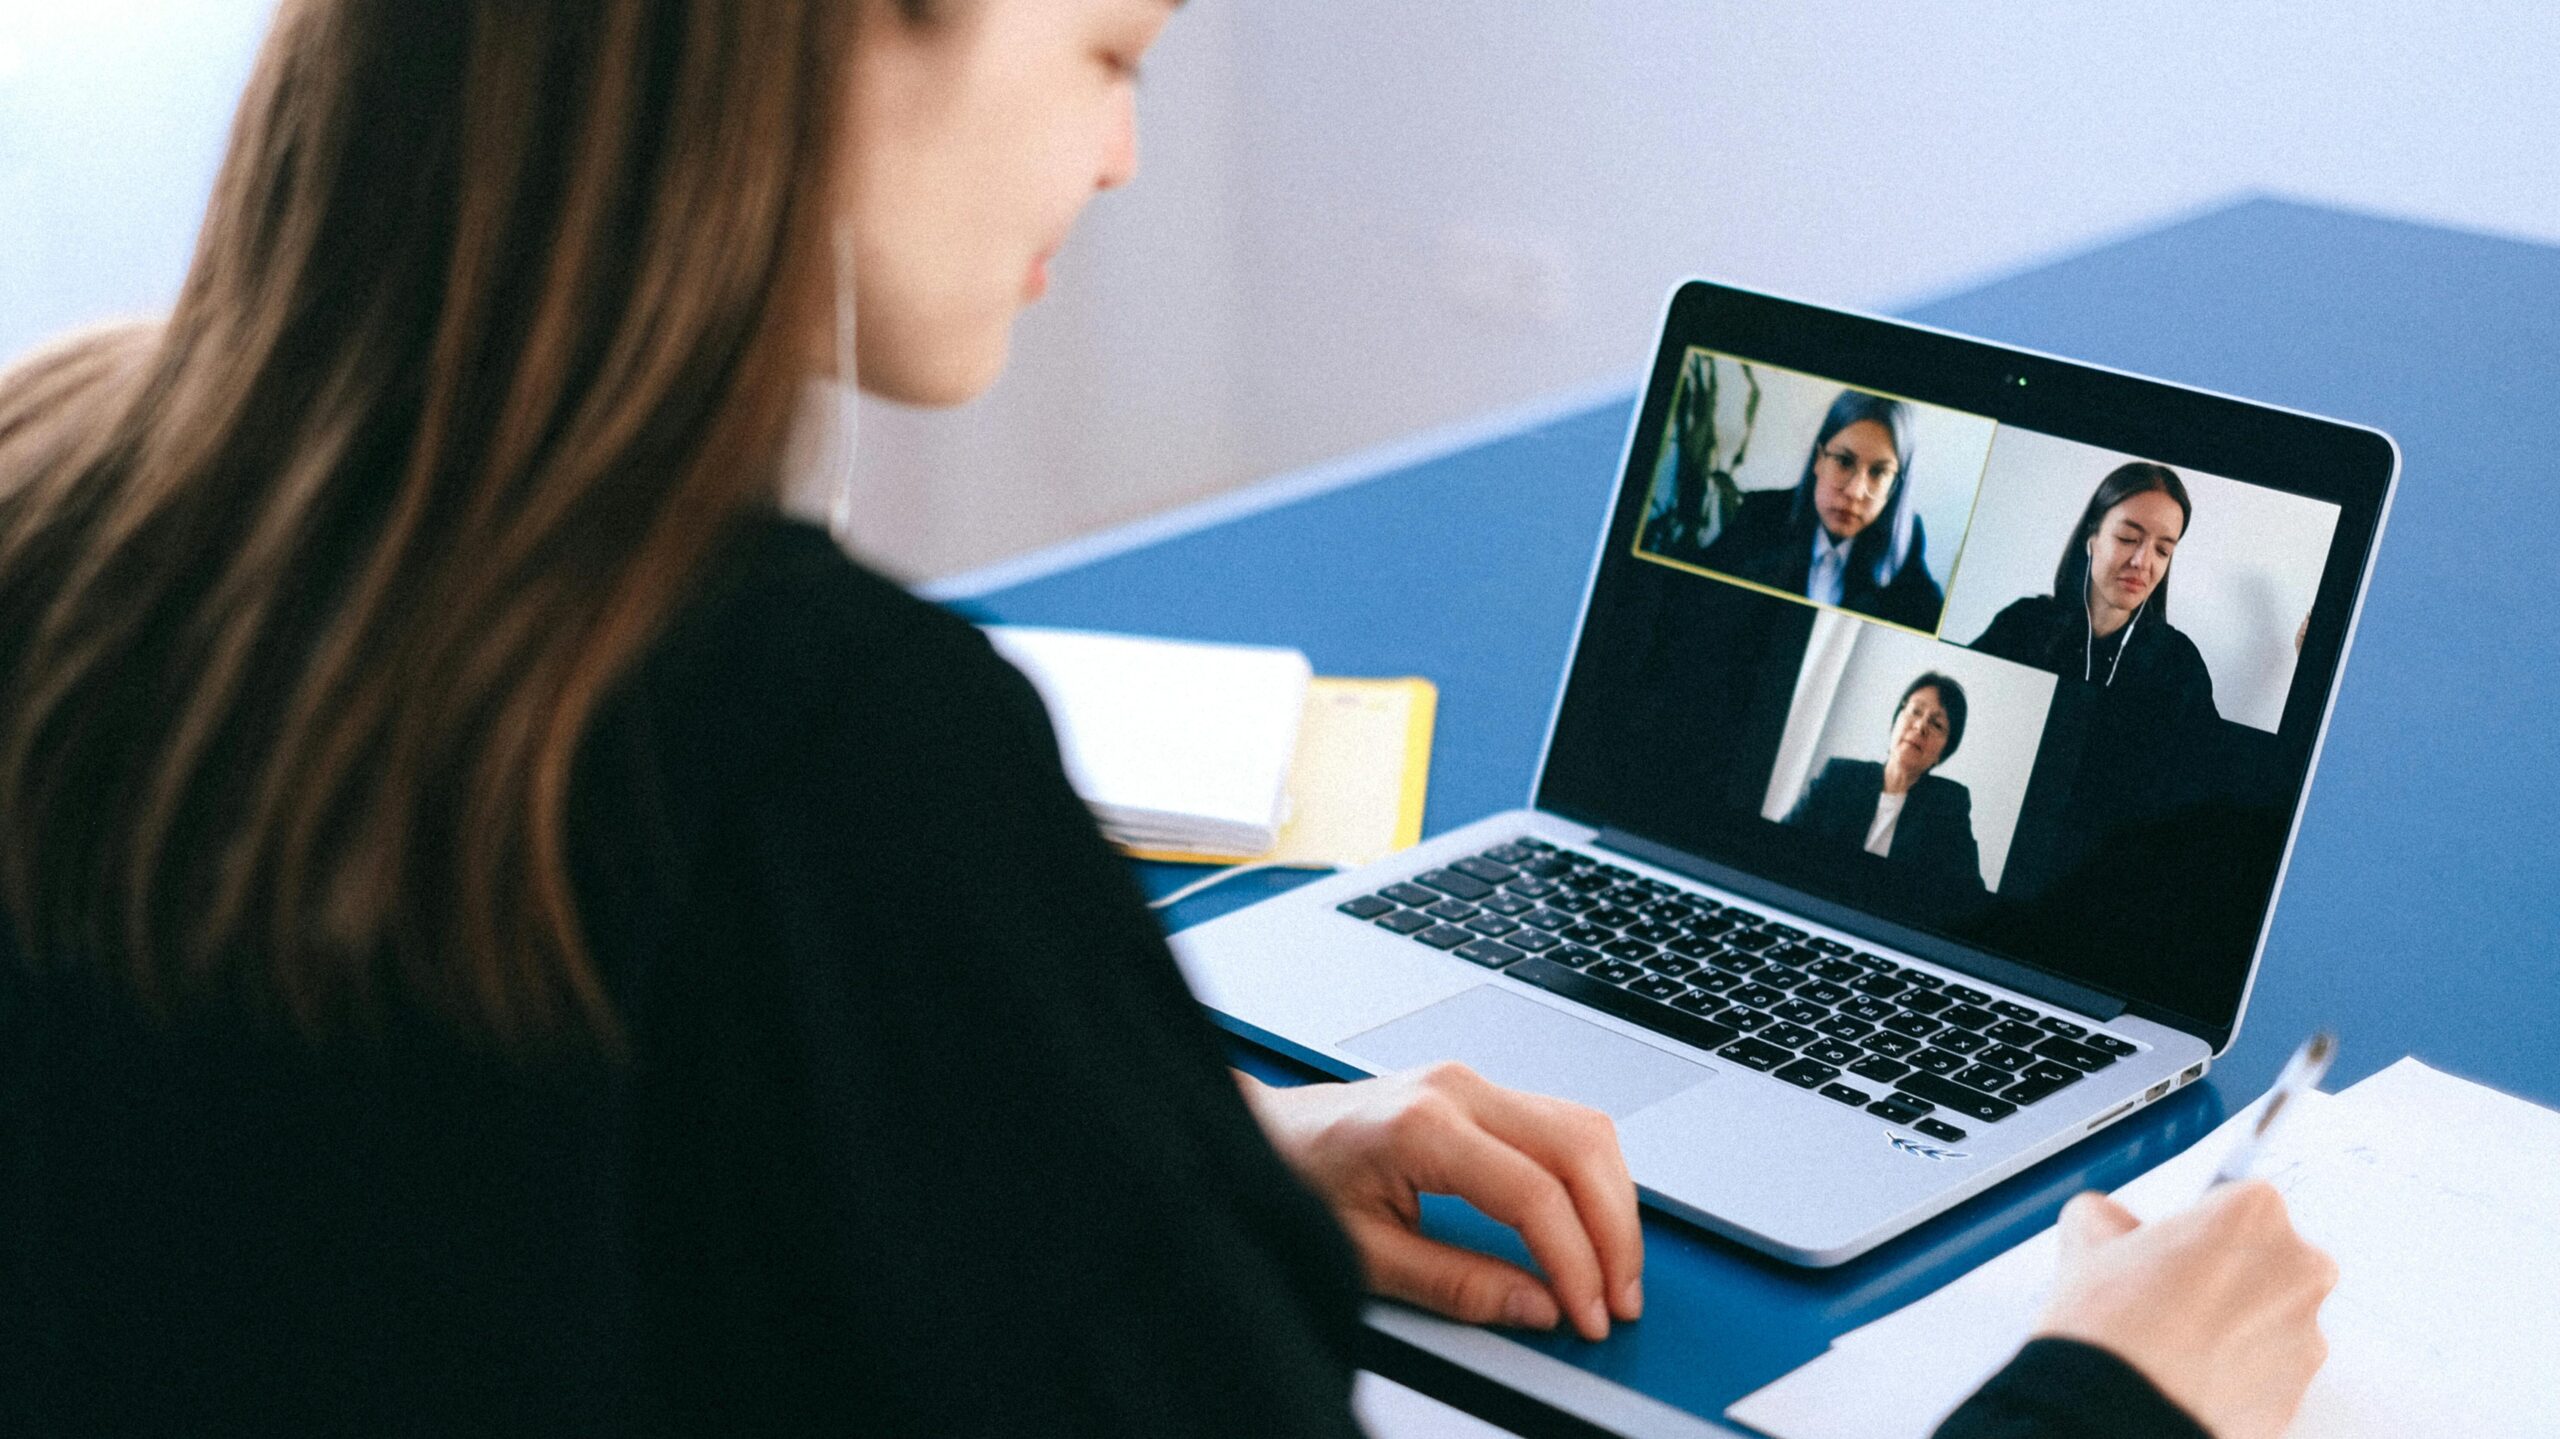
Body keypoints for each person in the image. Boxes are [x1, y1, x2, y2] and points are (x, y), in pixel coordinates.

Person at [0, 3, 2333, 1436]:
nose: (1119, 153)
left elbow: (457, 1197)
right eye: (1107, 50)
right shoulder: (824, 746)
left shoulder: (63, 489)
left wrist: (1161, 1173)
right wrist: (2096, 1397)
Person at [1969, 462, 2219, 725]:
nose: (2142, 562)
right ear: (2092, 537)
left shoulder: (2179, 663)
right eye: (2127, 538)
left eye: (2162, 550)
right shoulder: (2022, 625)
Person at [1701, 388, 1948, 630]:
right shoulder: (1762, 514)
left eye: (1878, 472)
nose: (1855, 491)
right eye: (1844, 461)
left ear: (1895, 486)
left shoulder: (1905, 542)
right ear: (1819, 459)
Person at [1785, 673, 1985, 891]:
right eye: (1915, 711)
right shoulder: (1839, 776)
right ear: (1894, 723)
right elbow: (1782, 843)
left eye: (1936, 724)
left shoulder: (1947, 805)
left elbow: (1968, 892)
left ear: (1943, 752)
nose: (1920, 726)